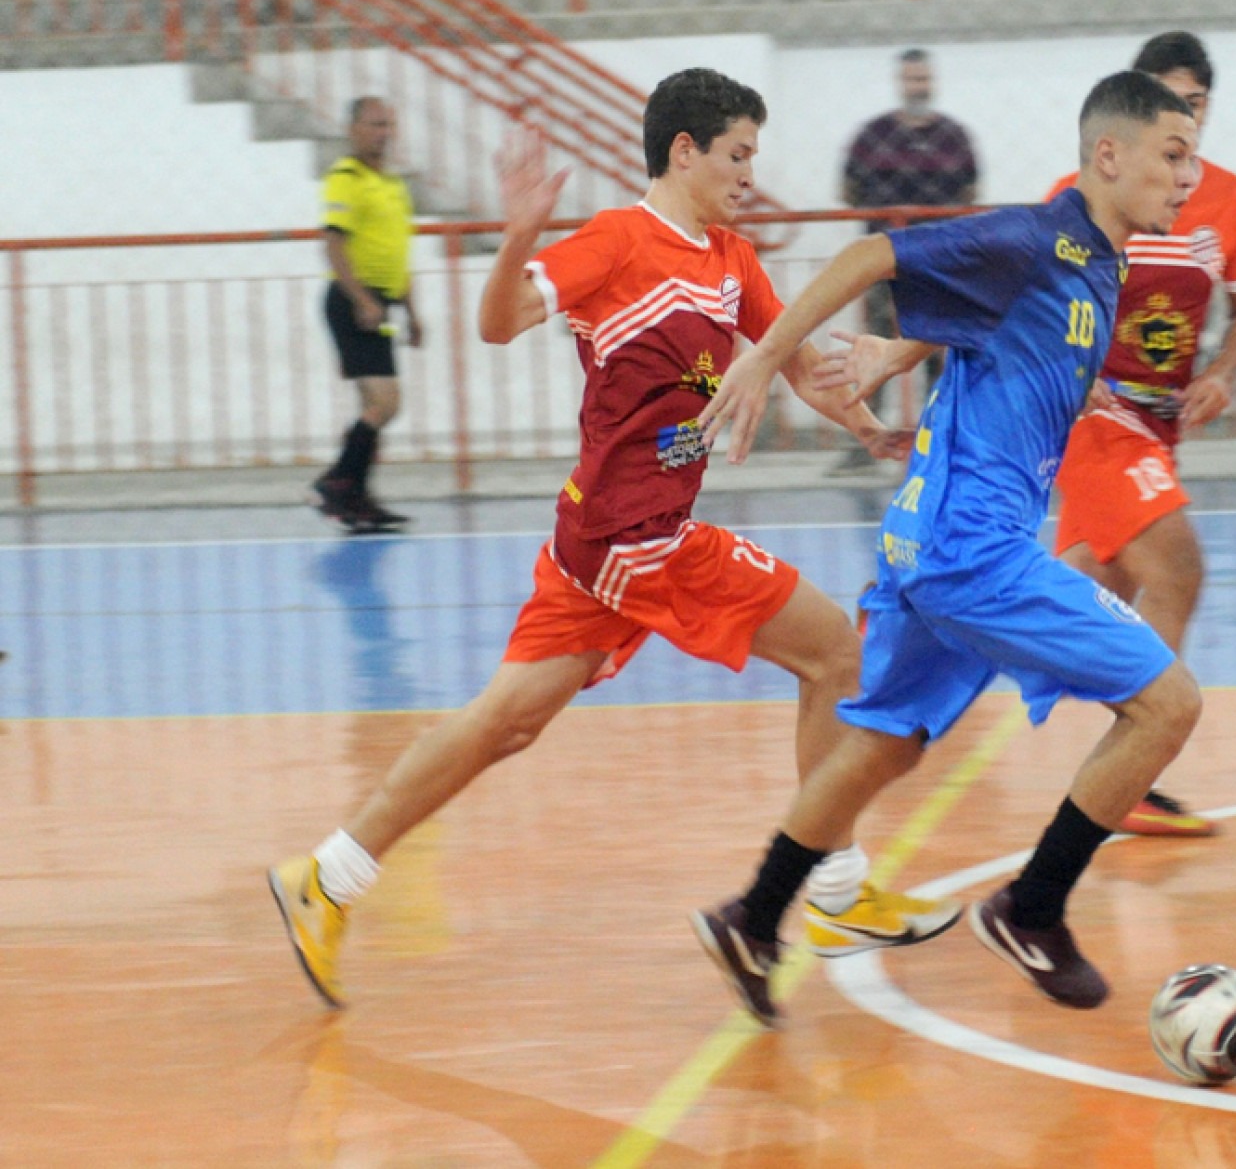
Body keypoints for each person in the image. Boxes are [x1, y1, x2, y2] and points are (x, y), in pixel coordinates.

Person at [268, 69, 959, 1010]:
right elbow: (499, 321)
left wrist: (868, 424)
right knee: (837, 650)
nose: (749, 174)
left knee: (502, 722)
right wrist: (517, 233)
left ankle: (327, 876)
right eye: (737, 155)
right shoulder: (615, 243)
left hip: (594, 539)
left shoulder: (731, 258)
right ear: (684, 150)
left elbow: (795, 364)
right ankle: (834, 892)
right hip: (637, 535)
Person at [691, 71, 1205, 1025]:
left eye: (1194, 156)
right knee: (1166, 704)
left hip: (928, 544)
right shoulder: (1037, 237)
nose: (1189, 175)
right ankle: (1031, 908)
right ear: (1109, 154)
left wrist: (902, 352)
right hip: (972, 549)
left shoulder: (1095, 259)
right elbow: (867, 256)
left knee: (884, 744)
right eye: (1173, 154)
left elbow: (985, 321)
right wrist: (764, 357)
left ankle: (752, 917)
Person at [1045, 32, 1236, 839]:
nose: (1187, 121)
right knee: (1176, 568)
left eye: (1197, 105)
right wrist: (1074, 365)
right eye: (1171, 105)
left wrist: (1222, 373)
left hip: (1160, 427)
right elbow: (1037, 292)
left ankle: (922, 624)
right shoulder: (1082, 195)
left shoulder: (1228, 199)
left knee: (1084, 585)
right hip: (1100, 422)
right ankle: (1136, 758)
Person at [829, 48, 980, 476]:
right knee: (870, 346)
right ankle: (865, 441)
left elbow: (968, 192)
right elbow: (848, 188)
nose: (918, 86)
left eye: (923, 78)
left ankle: (939, 439)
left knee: (937, 349)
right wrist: (891, 221)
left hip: (937, 261)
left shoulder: (954, 137)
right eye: (912, 79)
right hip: (883, 257)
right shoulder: (874, 135)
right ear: (901, 81)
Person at [312, 96, 423, 534]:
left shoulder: (393, 184)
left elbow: (399, 254)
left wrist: (412, 311)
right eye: (375, 124)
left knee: (374, 405)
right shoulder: (346, 178)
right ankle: (338, 483)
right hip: (354, 302)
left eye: (388, 124)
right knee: (385, 402)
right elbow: (333, 243)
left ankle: (355, 493)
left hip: (383, 301)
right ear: (353, 128)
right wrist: (360, 298)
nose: (384, 132)